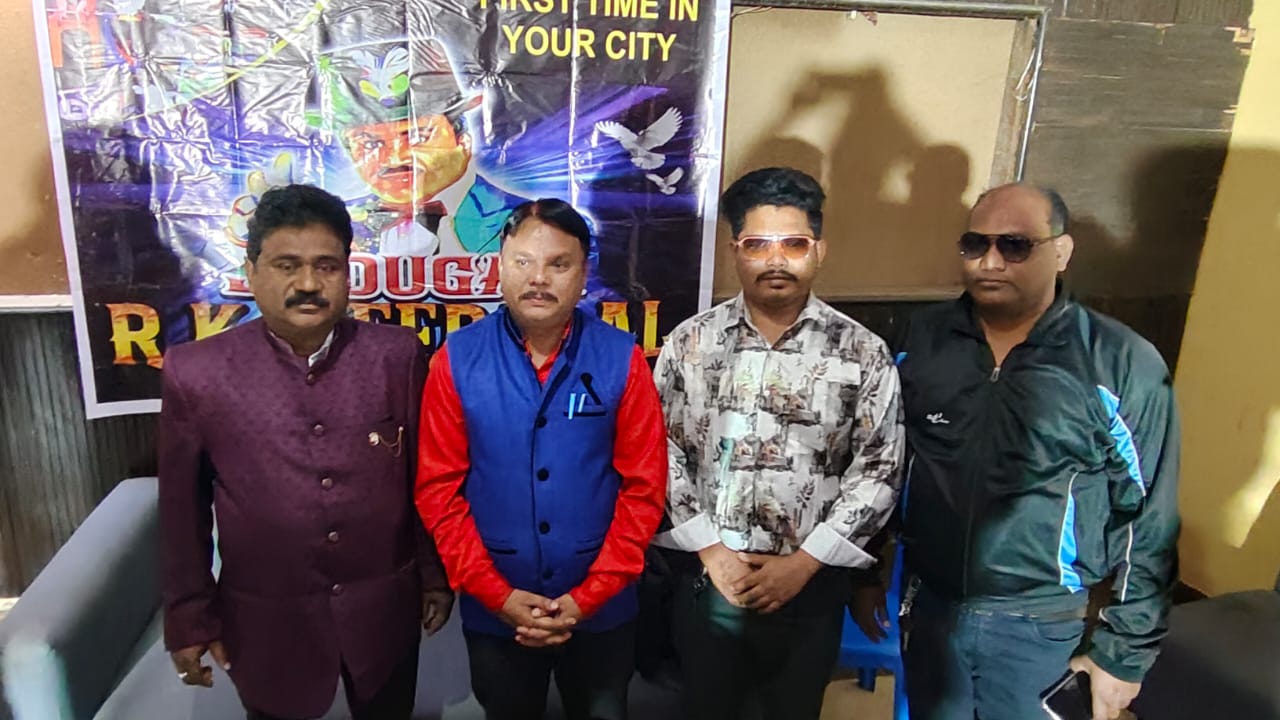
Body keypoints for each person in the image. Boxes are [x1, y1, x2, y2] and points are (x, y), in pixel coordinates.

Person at [159, 184, 454, 720]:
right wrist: (189, 618)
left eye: (326, 266)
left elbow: (420, 479)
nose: (309, 284)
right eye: (286, 265)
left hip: (383, 611)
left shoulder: (396, 357)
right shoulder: (196, 372)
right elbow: (182, 512)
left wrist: (433, 577)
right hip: (267, 621)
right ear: (251, 272)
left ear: (348, 273)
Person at [893, 183, 1180, 720]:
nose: (990, 261)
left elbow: (1149, 517)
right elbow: (889, 463)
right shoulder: (925, 340)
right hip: (931, 611)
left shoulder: (1119, 362)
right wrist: (868, 578)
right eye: (975, 244)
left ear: (1062, 252)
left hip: (1041, 628)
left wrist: (1125, 652)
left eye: (1015, 245)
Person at [652, 167, 905, 720]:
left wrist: (805, 564)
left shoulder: (861, 352)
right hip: (709, 584)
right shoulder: (690, 343)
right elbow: (658, 452)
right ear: (734, 252)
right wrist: (711, 552)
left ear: (819, 250)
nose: (775, 260)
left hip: (810, 588)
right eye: (757, 245)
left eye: (793, 244)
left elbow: (880, 469)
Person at [415, 198, 668, 720]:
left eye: (558, 264)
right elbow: (438, 490)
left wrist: (590, 595)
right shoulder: (456, 359)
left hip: (602, 610)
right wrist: (496, 595)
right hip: (496, 608)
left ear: (583, 275)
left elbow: (644, 489)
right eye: (523, 262)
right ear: (499, 267)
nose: (538, 278)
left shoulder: (621, 358)